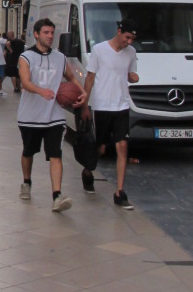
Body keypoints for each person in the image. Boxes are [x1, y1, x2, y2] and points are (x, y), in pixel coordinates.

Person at [18, 17, 86, 212]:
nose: (50, 36)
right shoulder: (26, 57)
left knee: (56, 154)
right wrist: (41, 91)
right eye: (46, 33)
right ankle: (26, 182)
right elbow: (25, 81)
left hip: (54, 116)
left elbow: (71, 77)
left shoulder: (60, 57)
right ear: (37, 34)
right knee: (28, 152)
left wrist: (82, 93)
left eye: (52, 33)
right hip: (30, 116)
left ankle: (57, 196)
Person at [82, 17, 139, 210]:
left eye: (132, 39)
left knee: (122, 146)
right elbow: (90, 78)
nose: (129, 42)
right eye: (127, 37)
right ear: (119, 32)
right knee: (101, 148)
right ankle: (88, 171)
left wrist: (134, 77)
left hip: (122, 104)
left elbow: (132, 75)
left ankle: (119, 192)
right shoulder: (99, 50)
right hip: (102, 105)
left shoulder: (131, 53)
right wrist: (85, 105)